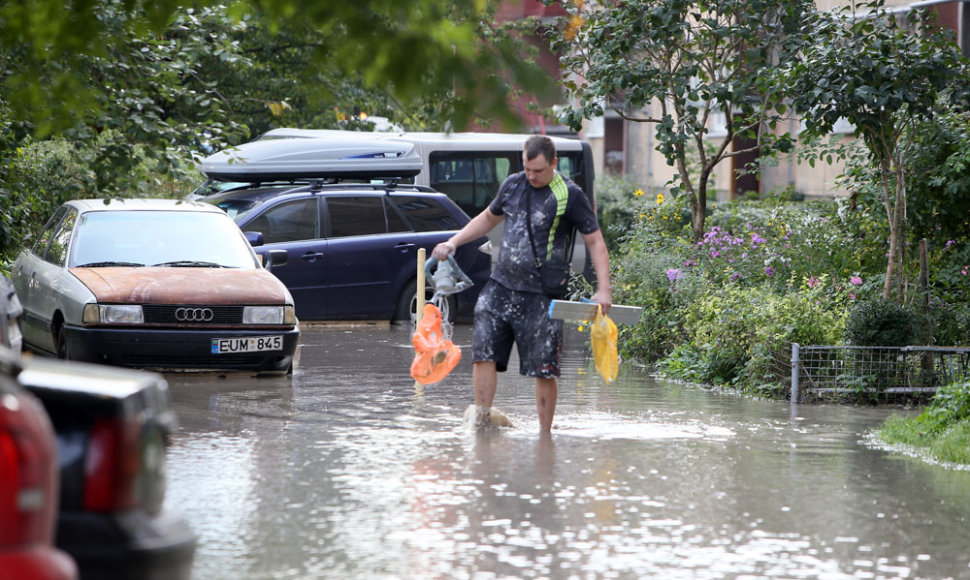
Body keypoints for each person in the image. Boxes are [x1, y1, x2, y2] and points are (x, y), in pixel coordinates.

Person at [431, 135, 611, 432]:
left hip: (542, 296)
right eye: (527, 169)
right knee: (483, 352)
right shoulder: (513, 184)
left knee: (544, 369)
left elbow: (595, 241)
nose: (532, 176)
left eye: (538, 171)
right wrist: (453, 241)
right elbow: (488, 219)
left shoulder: (569, 194)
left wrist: (604, 289)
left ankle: (544, 437)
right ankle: (482, 421)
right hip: (500, 287)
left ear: (553, 163)